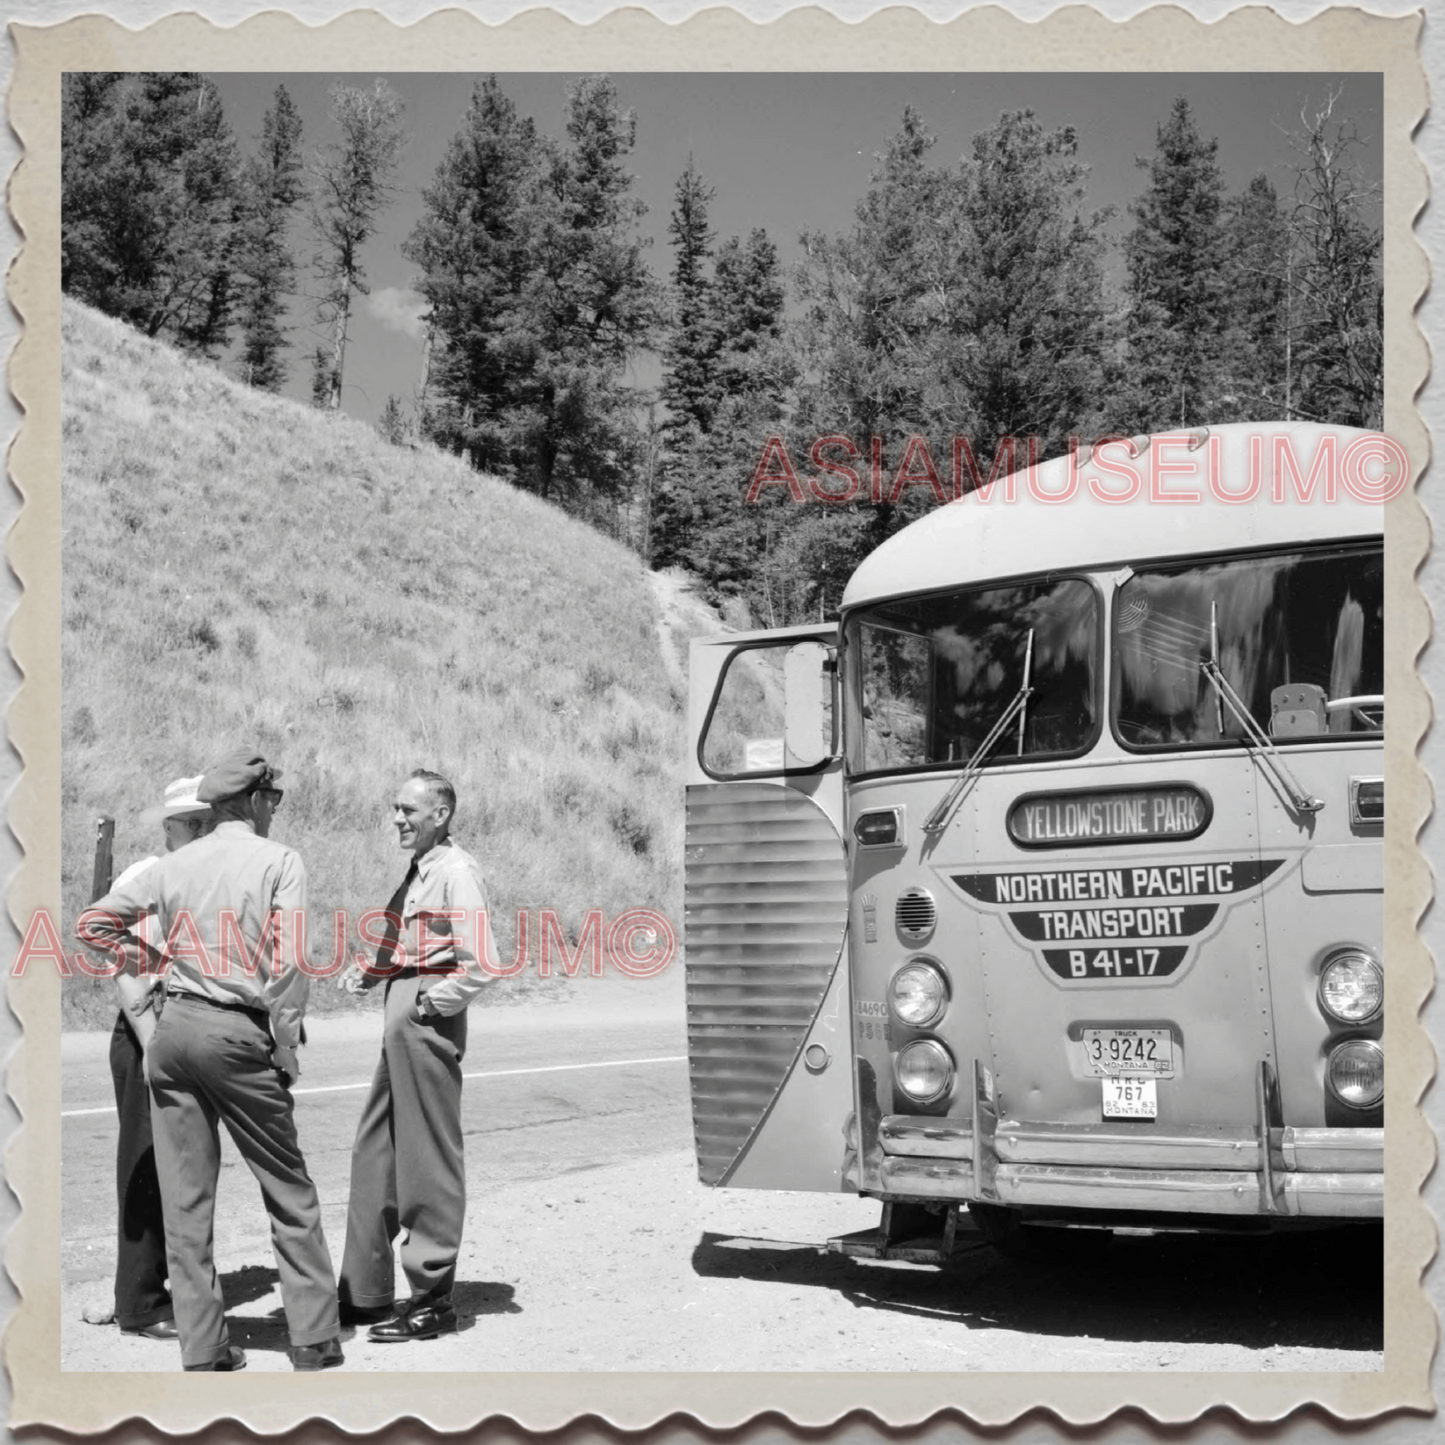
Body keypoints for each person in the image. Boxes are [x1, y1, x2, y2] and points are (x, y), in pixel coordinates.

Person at [77, 751, 343, 1373]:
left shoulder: (174, 865)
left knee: (187, 1200)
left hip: (173, 1035)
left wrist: (152, 973)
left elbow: (93, 925)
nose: (274, 810)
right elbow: (290, 967)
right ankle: (312, 1340)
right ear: (251, 801)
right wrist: (284, 1042)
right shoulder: (280, 861)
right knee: (289, 1190)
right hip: (239, 1035)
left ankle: (203, 1348)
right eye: (272, 800)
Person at [337, 768, 500, 1342]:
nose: (398, 819)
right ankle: (365, 1291)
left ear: (441, 814)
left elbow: (481, 962)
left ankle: (433, 1299)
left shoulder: (457, 871)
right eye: (395, 808)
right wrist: (373, 970)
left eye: (409, 810)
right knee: (375, 1149)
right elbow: (412, 941)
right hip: (405, 1004)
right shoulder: (424, 868)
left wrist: (430, 1003)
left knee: (426, 1157)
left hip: (426, 1011)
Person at [105, 776, 214, 1343]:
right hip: (149, 1029)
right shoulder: (147, 877)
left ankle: (152, 1287)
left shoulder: (198, 877)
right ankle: (140, 1303)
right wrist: (153, 1045)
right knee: (147, 1162)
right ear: (186, 828)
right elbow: (125, 971)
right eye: (201, 821)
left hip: (182, 1029)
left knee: (178, 1164)